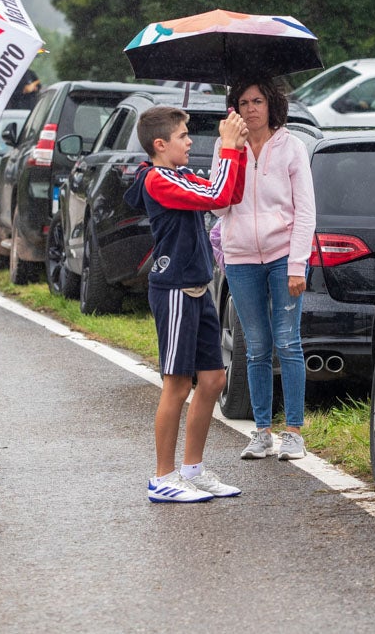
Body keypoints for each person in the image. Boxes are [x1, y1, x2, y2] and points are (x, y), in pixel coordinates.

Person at [124, 104, 249, 503]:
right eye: (183, 136)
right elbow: (214, 194)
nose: (190, 141)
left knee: (213, 380)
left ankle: (192, 469)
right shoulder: (157, 180)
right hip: (174, 288)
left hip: (199, 285)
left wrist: (239, 150)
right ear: (160, 144)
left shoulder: (180, 174)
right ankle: (163, 476)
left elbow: (228, 194)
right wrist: (227, 146)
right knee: (177, 384)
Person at [214, 77, 315, 461]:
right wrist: (231, 153)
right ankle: (261, 431)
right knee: (255, 347)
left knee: (287, 342)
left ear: (272, 104)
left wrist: (297, 264)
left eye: (258, 101)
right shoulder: (228, 149)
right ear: (234, 109)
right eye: (243, 102)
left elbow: (305, 210)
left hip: (281, 255)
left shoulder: (292, 148)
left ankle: (293, 432)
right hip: (240, 258)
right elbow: (218, 205)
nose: (251, 108)